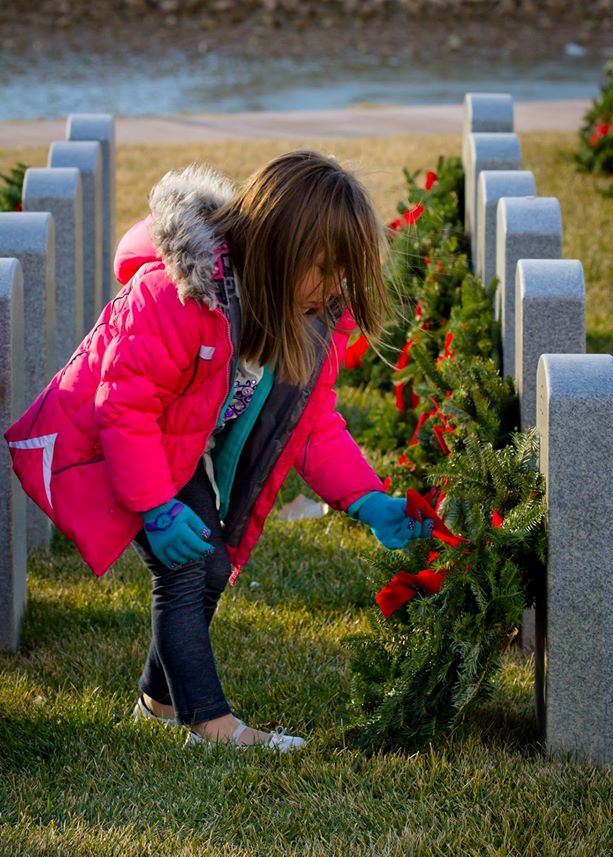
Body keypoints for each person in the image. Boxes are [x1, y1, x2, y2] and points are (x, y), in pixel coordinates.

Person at [5, 151, 433, 753]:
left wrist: (367, 501)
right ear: (281, 247)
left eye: (345, 274)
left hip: (176, 451)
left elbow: (311, 426)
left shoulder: (301, 317)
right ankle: (211, 726)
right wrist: (155, 507)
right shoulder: (178, 297)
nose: (335, 288)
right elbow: (123, 409)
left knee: (208, 565)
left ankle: (157, 702)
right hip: (109, 448)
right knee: (183, 571)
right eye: (324, 269)